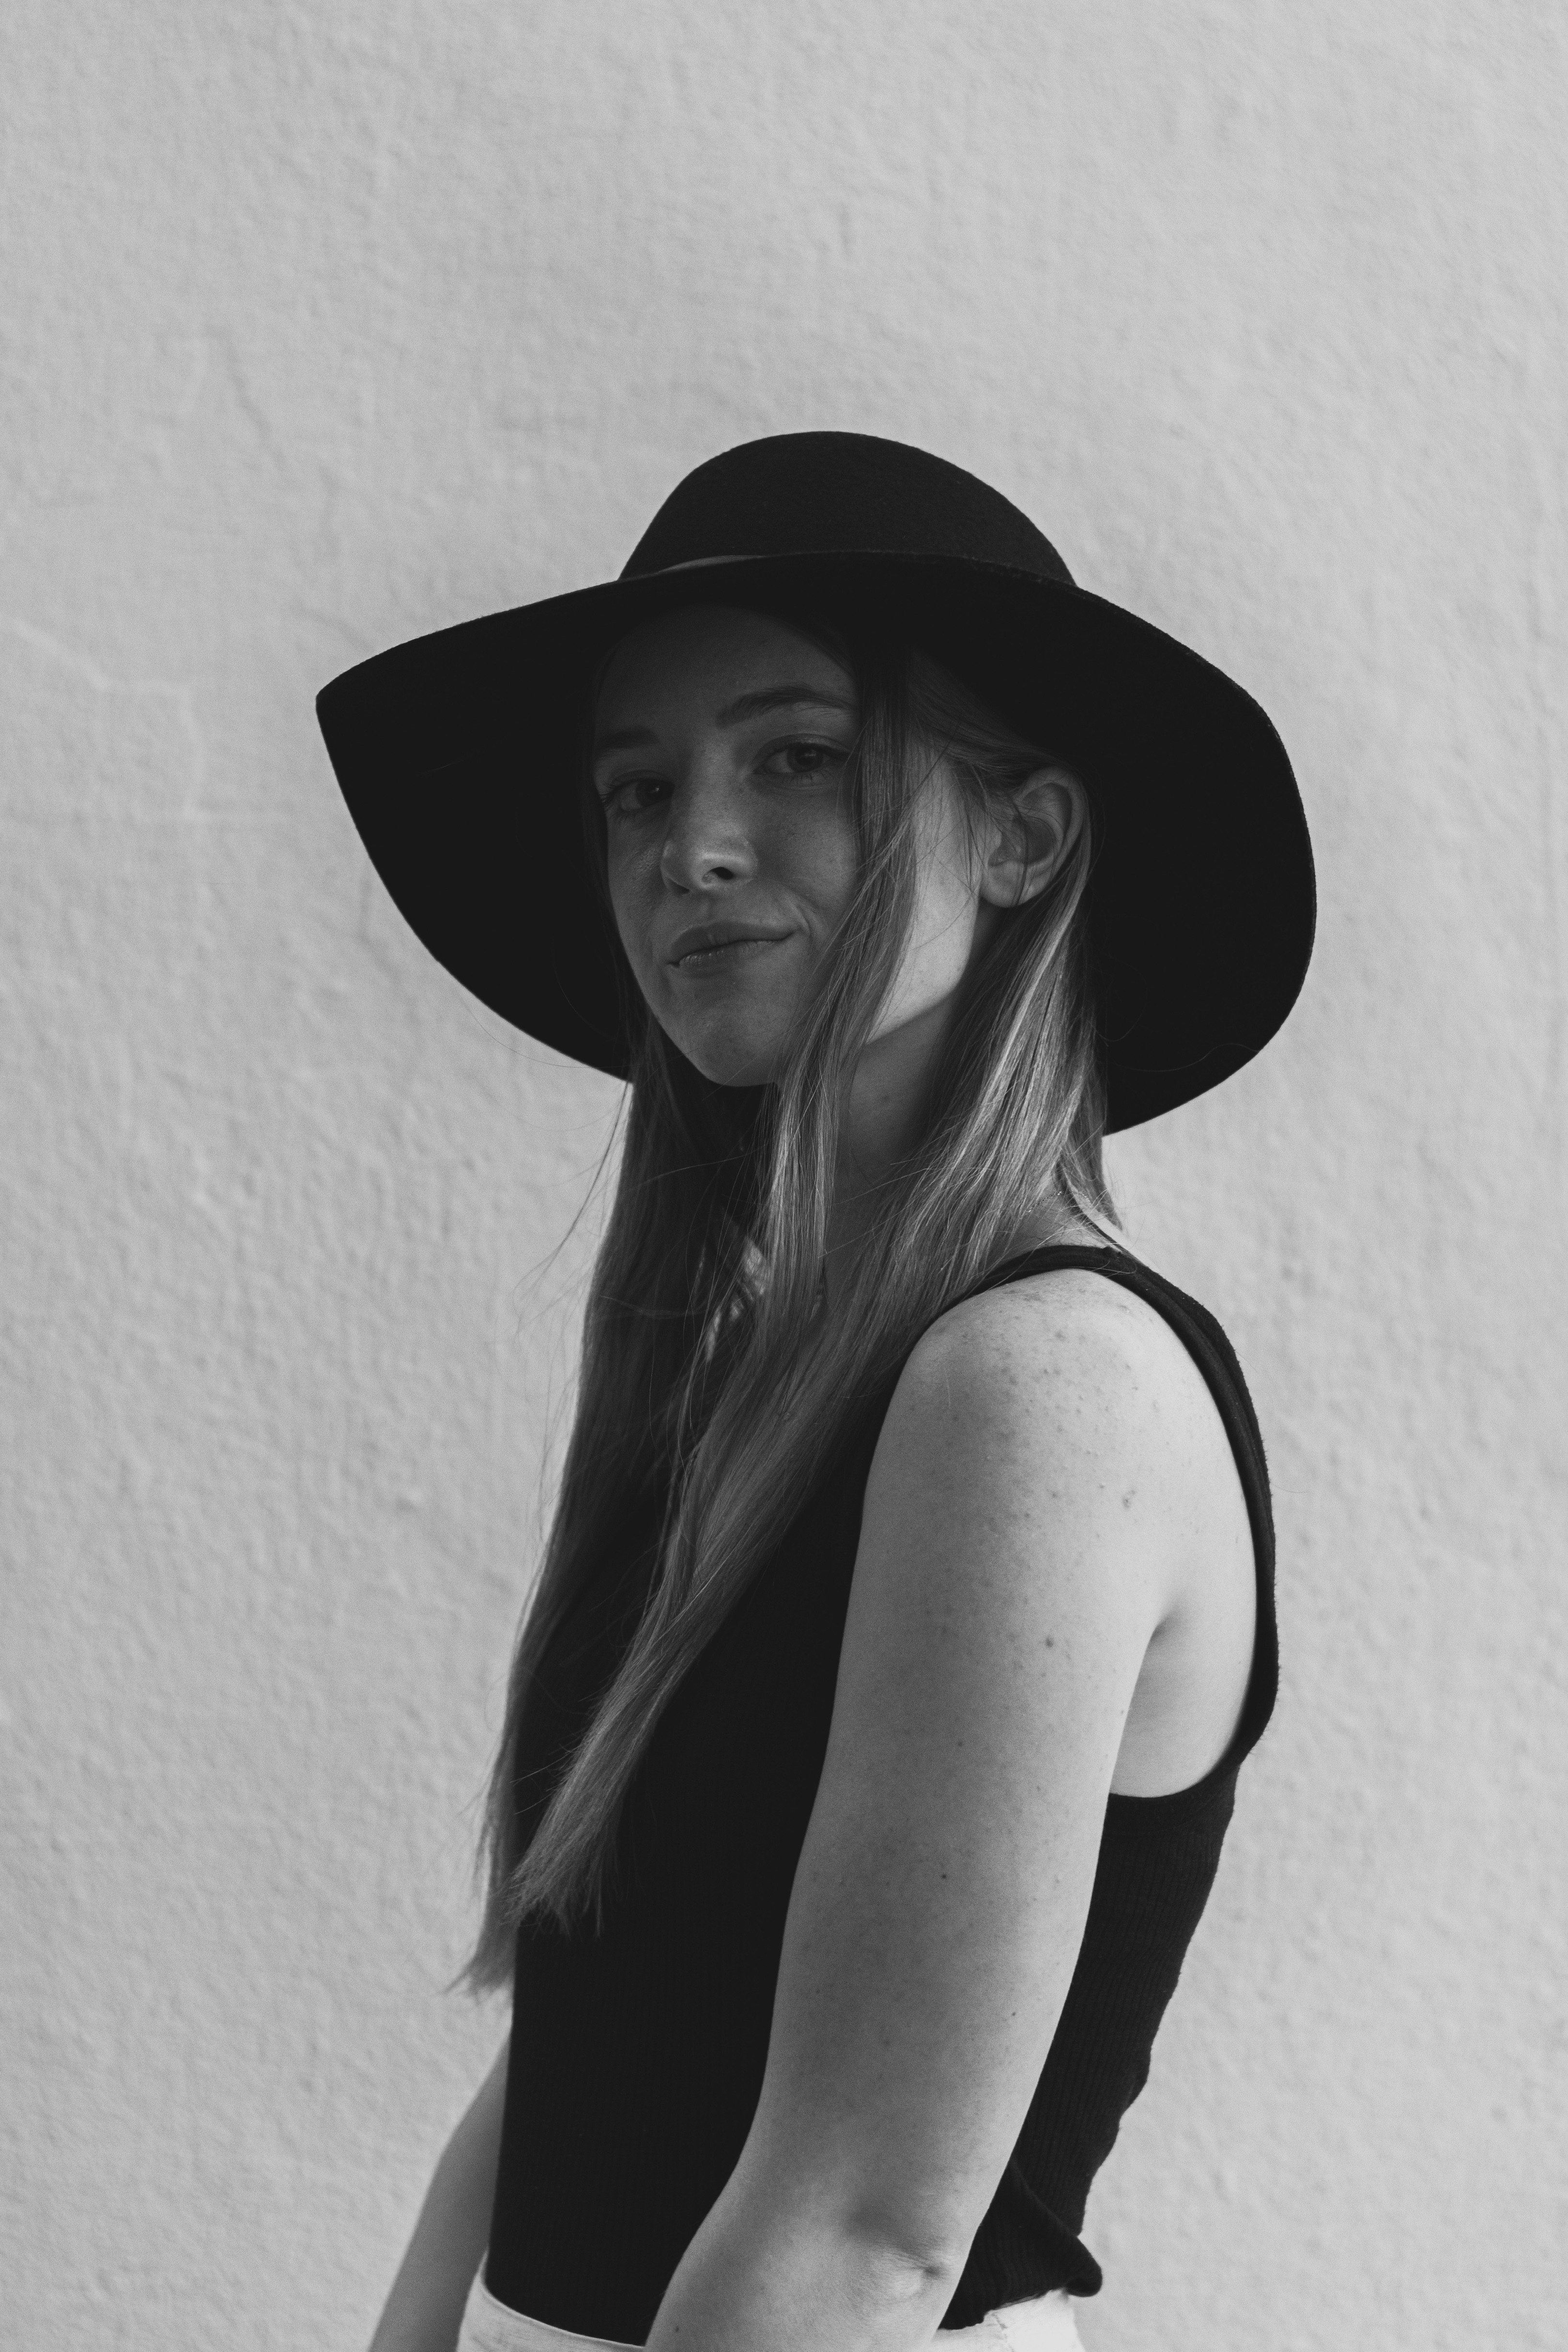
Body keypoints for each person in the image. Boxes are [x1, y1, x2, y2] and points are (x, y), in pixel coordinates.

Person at [316, 431, 1315, 2352]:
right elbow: (589, 2055)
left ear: (1022, 838)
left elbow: (864, 2235)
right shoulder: (762, 1384)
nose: (690, 845)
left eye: (795, 757)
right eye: (637, 788)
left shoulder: (1041, 1392)